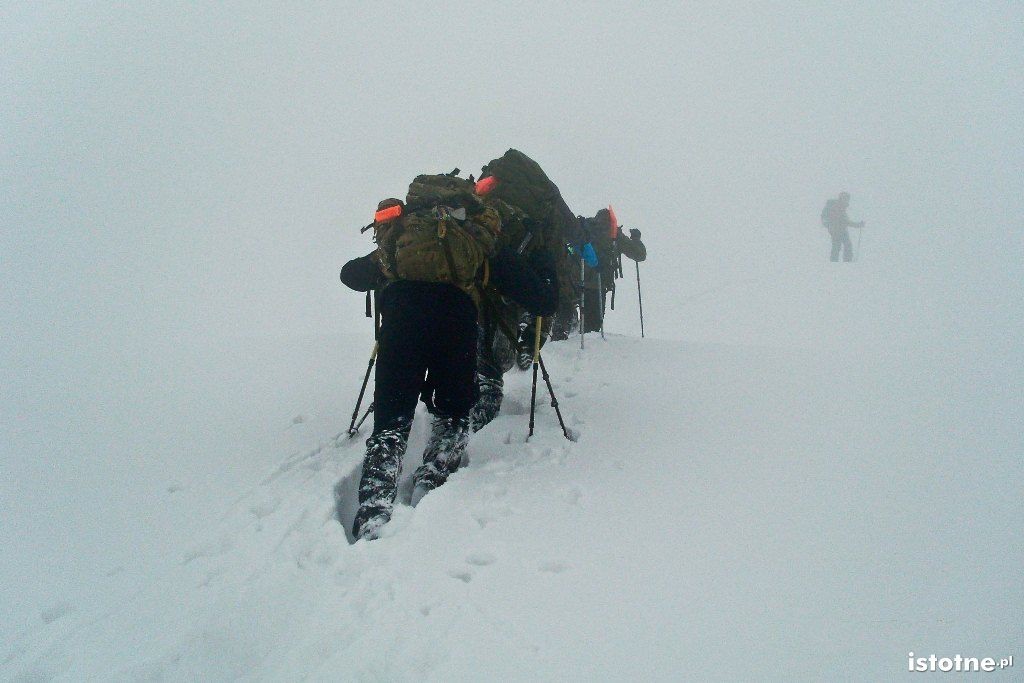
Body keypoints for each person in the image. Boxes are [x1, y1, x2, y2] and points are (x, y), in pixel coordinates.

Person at [340, 189, 557, 541]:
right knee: (452, 413)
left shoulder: (405, 234)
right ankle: (434, 474)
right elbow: (543, 300)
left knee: (391, 424)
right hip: (455, 322)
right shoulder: (477, 237)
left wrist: (388, 268)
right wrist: (545, 263)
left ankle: (373, 511)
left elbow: (350, 275)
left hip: (401, 322)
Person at [580, 208, 646, 334]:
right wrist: (636, 239)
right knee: (593, 326)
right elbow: (639, 255)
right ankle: (588, 346)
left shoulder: (586, 229)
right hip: (599, 284)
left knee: (575, 318)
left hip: (576, 279)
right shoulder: (614, 234)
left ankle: (565, 341)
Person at [821, 191, 865, 262]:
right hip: (836, 230)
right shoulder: (837, 207)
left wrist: (858, 225)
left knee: (841, 246)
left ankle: (837, 263)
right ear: (841, 198)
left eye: (847, 199)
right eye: (846, 199)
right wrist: (858, 225)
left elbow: (845, 221)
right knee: (841, 246)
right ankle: (842, 263)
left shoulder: (841, 207)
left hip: (839, 230)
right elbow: (846, 221)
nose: (847, 201)